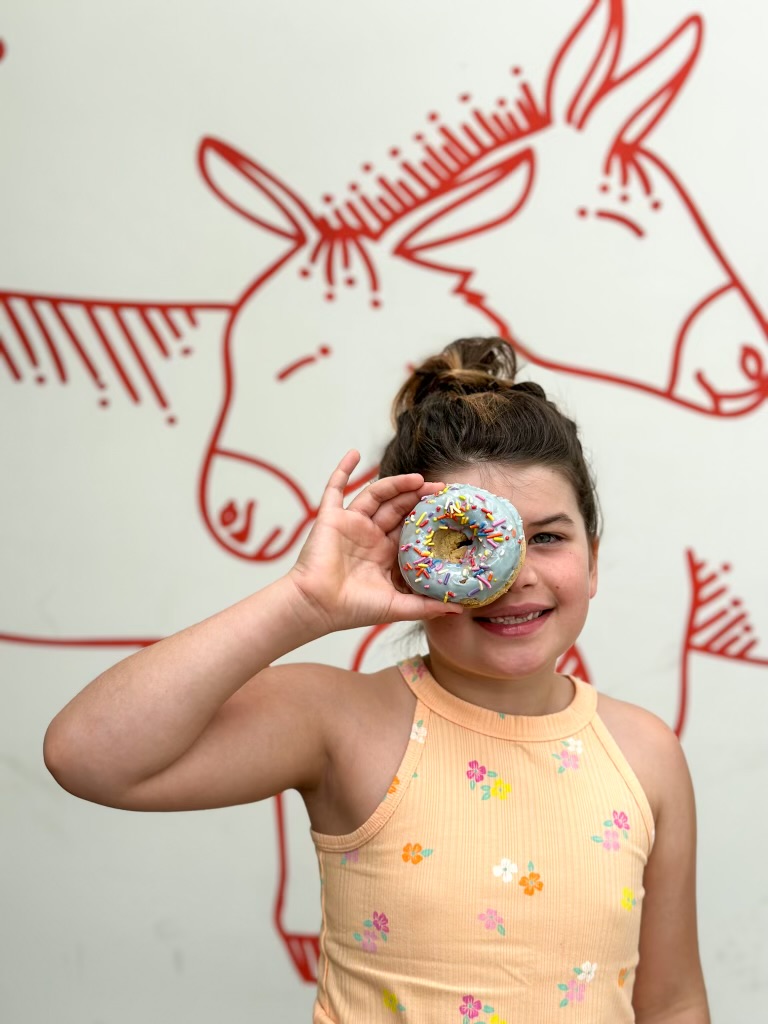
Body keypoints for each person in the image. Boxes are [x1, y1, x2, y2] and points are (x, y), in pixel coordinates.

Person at [44, 337, 710, 1023]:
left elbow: (674, 1002)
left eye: (547, 538)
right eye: (465, 542)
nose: (513, 576)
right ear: (404, 562)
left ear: (592, 560)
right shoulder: (343, 723)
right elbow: (87, 756)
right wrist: (304, 602)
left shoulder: (644, 754)